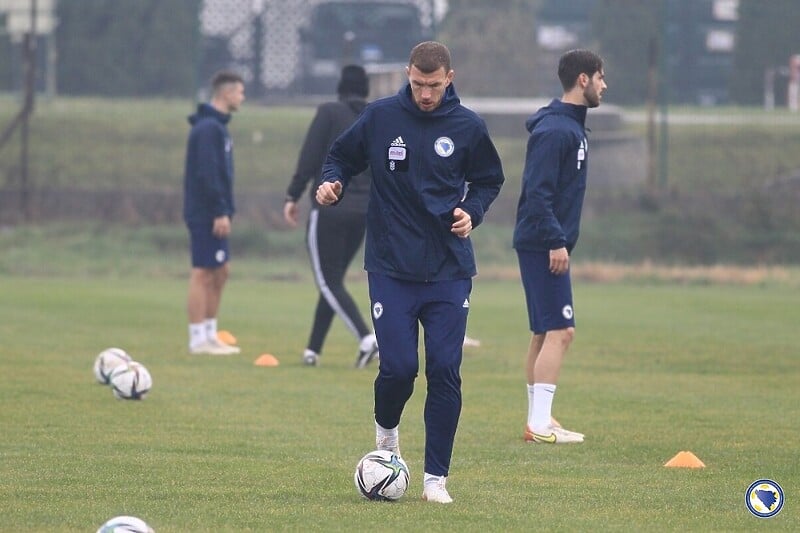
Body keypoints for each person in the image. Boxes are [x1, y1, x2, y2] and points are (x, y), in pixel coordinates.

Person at [317, 41, 505, 503]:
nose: (425, 94)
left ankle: (435, 479)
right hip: (391, 266)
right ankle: (386, 434)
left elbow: (488, 180)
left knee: (445, 370)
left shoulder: (467, 126)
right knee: (400, 368)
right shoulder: (381, 117)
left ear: (450, 78)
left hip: (448, 268)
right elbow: (341, 156)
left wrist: (471, 211)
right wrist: (331, 182)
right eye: (418, 84)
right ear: (408, 75)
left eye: (434, 85)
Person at [513, 49, 607, 444]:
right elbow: (538, 193)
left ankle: (540, 419)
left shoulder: (572, 127)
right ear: (582, 79)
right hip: (542, 242)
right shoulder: (556, 131)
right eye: (601, 77)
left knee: (543, 332)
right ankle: (538, 424)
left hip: (541, 241)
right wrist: (555, 240)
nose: (605, 85)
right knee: (561, 330)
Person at [283, 65, 379, 368]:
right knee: (334, 279)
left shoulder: (328, 112)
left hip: (329, 208)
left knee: (326, 282)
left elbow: (309, 156)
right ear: (366, 90)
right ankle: (313, 350)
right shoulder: (373, 118)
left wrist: (293, 194)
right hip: (364, 211)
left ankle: (367, 339)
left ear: (340, 87)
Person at [183, 70, 246, 356]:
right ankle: (198, 338)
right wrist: (219, 210)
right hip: (206, 211)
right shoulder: (209, 129)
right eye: (240, 92)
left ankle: (210, 333)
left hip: (216, 210)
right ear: (226, 93)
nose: (242, 97)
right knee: (203, 271)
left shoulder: (217, 127)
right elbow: (207, 174)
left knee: (221, 271)